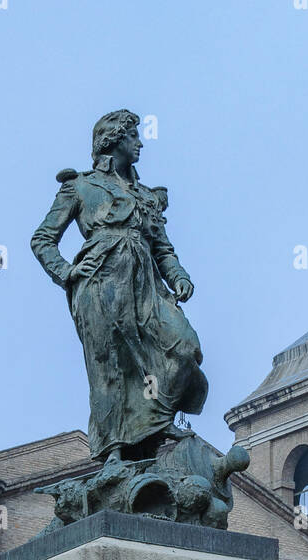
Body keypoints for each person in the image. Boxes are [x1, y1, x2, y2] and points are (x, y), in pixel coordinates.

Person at [31, 108, 208, 465]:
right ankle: (112, 450)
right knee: (108, 366)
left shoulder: (145, 195)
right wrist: (67, 272)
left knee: (185, 347)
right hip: (100, 284)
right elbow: (42, 239)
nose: (140, 143)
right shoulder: (79, 187)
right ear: (113, 140)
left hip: (147, 288)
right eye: (133, 137)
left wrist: (179, 277)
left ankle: (155, 421)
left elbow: (163, 247)